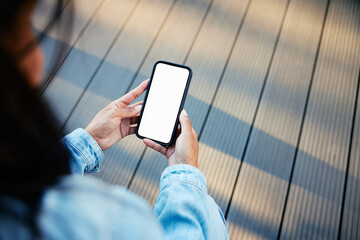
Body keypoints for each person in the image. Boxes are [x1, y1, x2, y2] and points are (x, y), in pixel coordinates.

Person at [0, 0, 229, 239]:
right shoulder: (108, 222)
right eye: (27, 27)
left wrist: (87, 142)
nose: (39, 56)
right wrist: (184, 174)